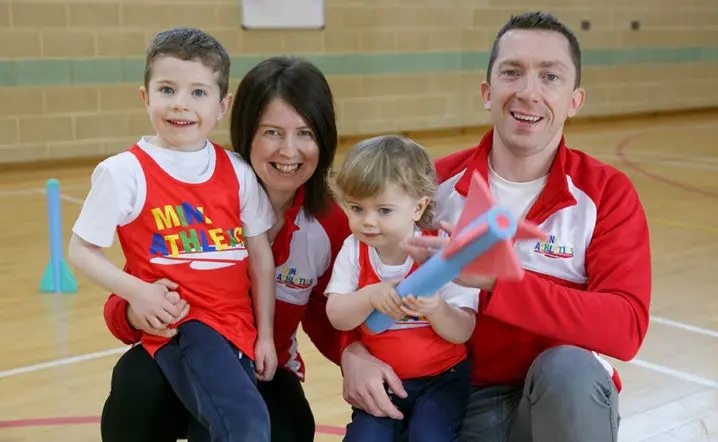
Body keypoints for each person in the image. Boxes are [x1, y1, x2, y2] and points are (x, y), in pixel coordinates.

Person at [339, 11, 652, 442]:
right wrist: (352, 352)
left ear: (575, 101)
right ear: (487, 92)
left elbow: (625, 328)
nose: (528, 92)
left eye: (550, 77)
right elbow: (361, 275)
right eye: (512, 72)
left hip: (556, 399)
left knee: (569, 369)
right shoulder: (429, 190)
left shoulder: (605, 194)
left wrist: (499, 282)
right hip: (452, 398)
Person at [99, 55, 350, 442]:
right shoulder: (202, 190)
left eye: (305, 133)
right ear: (246, 131)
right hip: (179, 355)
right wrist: (135, 312)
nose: (289, 150)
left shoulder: (330, 225)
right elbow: (123, 301)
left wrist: (357, 357)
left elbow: (329, 316)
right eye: (272, 132)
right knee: (135, 385)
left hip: (262, 366)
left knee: (291, 428)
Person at [69, 27, 277, 441]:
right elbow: (81, 250)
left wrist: (267, 336)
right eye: (167, 89)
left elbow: (260, 257)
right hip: (185, 324)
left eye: (198, 92)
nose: (181, 103)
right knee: (245, 424)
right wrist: (138, 293)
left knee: (222, 425)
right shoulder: (124, 172)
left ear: (222, 105)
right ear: (145, 97)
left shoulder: (237, 171)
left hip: (238, 330)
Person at [325, 135, 480, 441]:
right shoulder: (353, 250)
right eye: (356, 208)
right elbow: (337, 316)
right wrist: (369, 296)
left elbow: (463, 331)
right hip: (384, 380)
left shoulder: (441, 251)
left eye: (383, 210)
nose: (368, 222)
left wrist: (436, 308)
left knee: (428, 436)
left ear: (418, 208)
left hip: (442, 380)